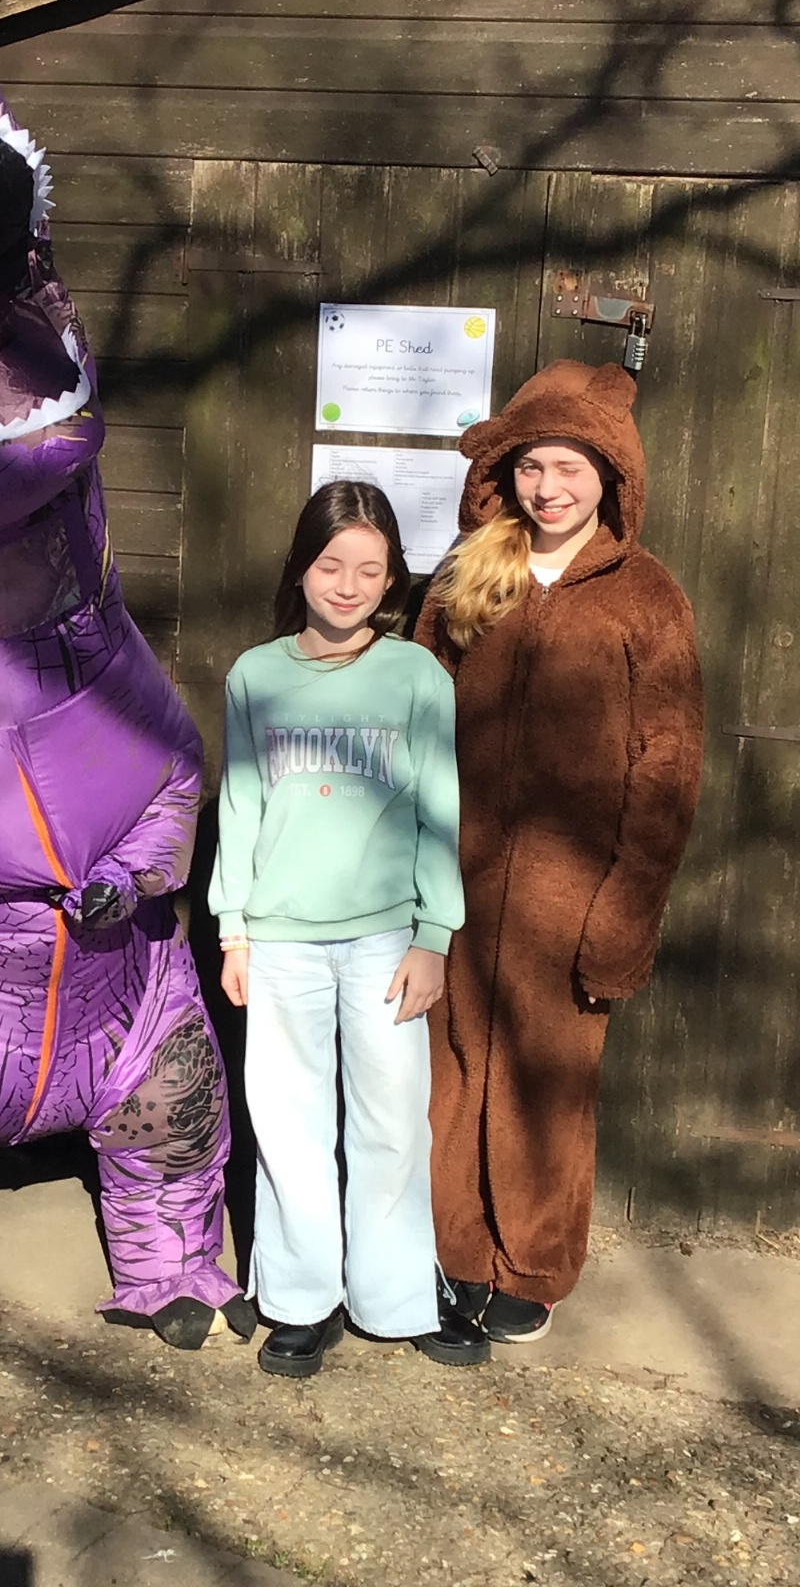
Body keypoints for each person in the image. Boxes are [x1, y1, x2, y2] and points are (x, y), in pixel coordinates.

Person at [413, 359, 704, 1353]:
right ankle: (454, 1251)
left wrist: (625, 911)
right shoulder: (467, 575)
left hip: (570, 897)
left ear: (610, 477)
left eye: (570, 468)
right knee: (448, 1072)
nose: (548, 488)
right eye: (532, 466)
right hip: (452, 881)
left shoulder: (647, 597)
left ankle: (531, 1264)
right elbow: (412, 722)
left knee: (548, 1087)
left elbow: (668, 768)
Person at [209, 479, 477, 1377]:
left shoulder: (416, 676)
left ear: (393, 577)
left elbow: (440, 808)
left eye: (371, 568)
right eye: (332, 565)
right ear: (301, 567)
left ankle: (396, 1295)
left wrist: (434, 936)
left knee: (392, 1120)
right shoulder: (256, 675)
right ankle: (300, 1299)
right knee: (287, 1123)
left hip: (385, 940)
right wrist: (234, 929)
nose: (349, 585)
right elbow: (241, 805)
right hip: (280, 937)